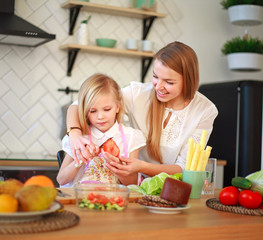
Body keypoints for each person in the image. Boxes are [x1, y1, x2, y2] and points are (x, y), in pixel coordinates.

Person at [66, 41, 218, 184]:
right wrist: (74, 134)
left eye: (169, 82)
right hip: (139, 187)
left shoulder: (204, 110)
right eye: (155, 77)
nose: (158, 86)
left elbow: (185, 168)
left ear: (188, 81)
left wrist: (141, 167)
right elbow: (77, 104)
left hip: (175, 187)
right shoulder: (138, 94)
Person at [57, 73, 146, 187]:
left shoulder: (131, 137)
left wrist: (117, 165)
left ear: (117, 107)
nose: (100, 116)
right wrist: (80, 159)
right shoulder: (80, 138)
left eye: (107, 109)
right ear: (85, 111)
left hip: (112, 201)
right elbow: (61, 179)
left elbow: (132, 183)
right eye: (93, 111)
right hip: (81, 200)